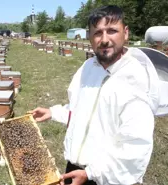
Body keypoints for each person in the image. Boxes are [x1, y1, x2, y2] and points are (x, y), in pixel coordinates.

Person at [30, 5, 159, 185]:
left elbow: (134, 149)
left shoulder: (136, 82)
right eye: (98, 33)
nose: (104, 39)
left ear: (126, 33)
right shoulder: (88, 68)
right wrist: (54, 112)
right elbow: (80, 107)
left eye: (112, 31)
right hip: (75, 170)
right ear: (89, 37)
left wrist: (91, 174)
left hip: (109, 178)